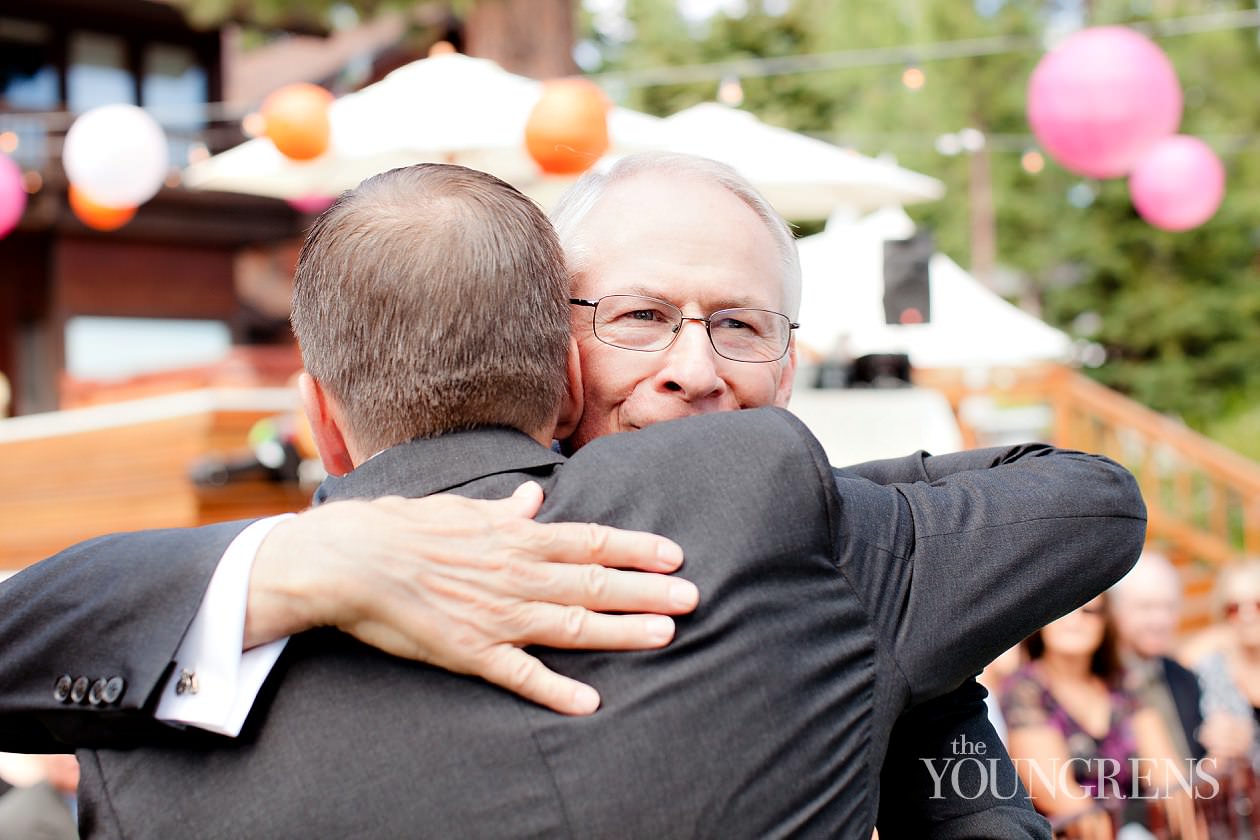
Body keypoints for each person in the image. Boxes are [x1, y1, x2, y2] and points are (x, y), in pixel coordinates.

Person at [0, 156, 1145, 836]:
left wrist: (862, 587)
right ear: (558, 356)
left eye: (741, 324)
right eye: (641, 316)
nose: (695, 367)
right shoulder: (209, 647)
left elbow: (1085, 501)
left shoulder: (823, 540)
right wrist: (301, 563)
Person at [1001, 595, 1196, 839]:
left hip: (1138, 827)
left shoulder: (1123, 683)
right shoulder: (1026, 690)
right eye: (1061, 612)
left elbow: (1168, 775)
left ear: (1105, 622)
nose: (1074, 621)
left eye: (1088, 611)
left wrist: (1190, 831)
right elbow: (1056, 793)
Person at [1109, 551, 1206, 763]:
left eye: (1169, 607)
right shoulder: (1100, 680)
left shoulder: (1184, 678)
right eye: (1146, 607)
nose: (1160, 620)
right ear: (1116, 611)